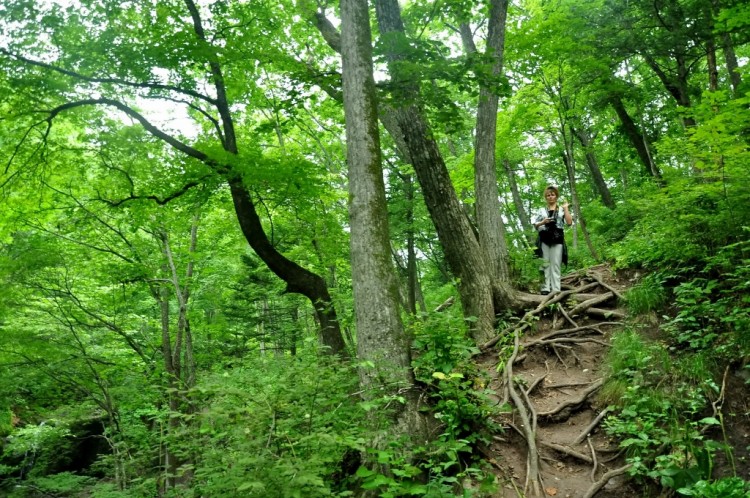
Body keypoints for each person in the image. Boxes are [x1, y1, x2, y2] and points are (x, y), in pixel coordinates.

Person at [533, 186, 573, 295]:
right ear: (546, 197)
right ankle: (545, 288)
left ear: (556, 196)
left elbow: (569, 222)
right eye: (548, 195)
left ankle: (556, 288)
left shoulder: (561, 209)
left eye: (552, 194)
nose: (550, 197)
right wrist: (543, 222)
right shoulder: (541, 210)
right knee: (545, 263)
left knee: (556, 264)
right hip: (544, 238)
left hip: (557, 238)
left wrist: (566, 209)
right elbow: (535, 225)